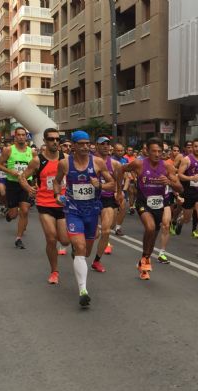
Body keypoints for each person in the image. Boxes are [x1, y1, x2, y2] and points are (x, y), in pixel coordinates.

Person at [52, 130, 115, 307]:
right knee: (80, 247)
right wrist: (57, 194)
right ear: (73, 146)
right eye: (81, 144)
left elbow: (112, 183)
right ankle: (83, 291)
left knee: (86, 252)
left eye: (88, 143)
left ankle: (77, 254)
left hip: (92, 211)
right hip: (73, 210)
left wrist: (100, 185)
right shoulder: (64, 164)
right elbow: (57, 181)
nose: (85, 147)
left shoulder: (98, 162)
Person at [120, 137, 181, 279]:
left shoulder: (167, 167)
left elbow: (181, 188)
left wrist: (170, 182)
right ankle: (145, 260)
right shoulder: (139, 163)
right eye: (154, 151)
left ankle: (144, 260)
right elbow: (121, 170)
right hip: (143, 203)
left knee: (153, 236)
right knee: (150, 227)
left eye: (160, 151)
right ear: (147, 151)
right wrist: (118, 190)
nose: (157, 154)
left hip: (160, 204)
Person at [18, 128, 70, 284]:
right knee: (51, 238)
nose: (55, 142)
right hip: (45, 203)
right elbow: (22, 177)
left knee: (65, 240)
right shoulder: (37, 160)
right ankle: (54, 271)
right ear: (45, 142)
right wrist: (29, 188)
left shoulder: (66, 158)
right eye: (51, 139)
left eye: (57, 139)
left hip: (63, 203)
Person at [0, 127, 35, 249]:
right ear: (15, 136)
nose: (21, 137)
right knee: (13, 214)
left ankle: (18, 238)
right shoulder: (8, 150)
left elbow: (34, 167)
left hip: (26, 183)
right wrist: (10, 171)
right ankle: (9, 215)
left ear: (26, 136)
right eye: (19, 135)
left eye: (23, 135)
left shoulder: (32, 152)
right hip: (12, 184)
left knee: (24, 210)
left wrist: (35, 181)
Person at [90, 136, 123, 273]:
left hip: (108, 199)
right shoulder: (90, 162)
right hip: (91, 198)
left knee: (106, 230)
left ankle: (97, 261)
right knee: (93, 233)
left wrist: (119, 193)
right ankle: (79, 249)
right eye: (102, 144)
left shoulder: (115, 164)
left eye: (107, 144)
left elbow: (118, 181)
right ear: (96, 146)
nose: (105, 146)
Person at [176, 138, 198, 255]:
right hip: (189, 192)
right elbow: (179, 175)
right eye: (195, 146)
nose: (197, 149)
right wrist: (191, 178)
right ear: (192, 148)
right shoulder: (186, 160)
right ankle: (180, 221)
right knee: (187, 219)